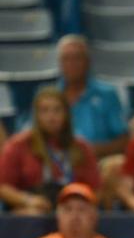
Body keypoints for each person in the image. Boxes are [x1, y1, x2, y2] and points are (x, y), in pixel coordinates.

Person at [0, 87, 100, 215]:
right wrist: (28, 200)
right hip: (32, 207)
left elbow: (96, 189)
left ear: (66, 114)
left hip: (72, 206)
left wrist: (79, 206)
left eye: (57, 110)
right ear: (36, 115)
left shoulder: (82, 147)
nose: (51, 116)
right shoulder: (18, 145)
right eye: (44, 110)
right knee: (32, 213)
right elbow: (3, 187)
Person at [57, 34, 129, 158]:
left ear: (88, 62)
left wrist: (92, 151)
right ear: (60, 64)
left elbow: (123, 140)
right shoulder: (49, 97)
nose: (72, 64)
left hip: (99, 164)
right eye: (66, 59)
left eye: (77, 58)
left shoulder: (107, 94)